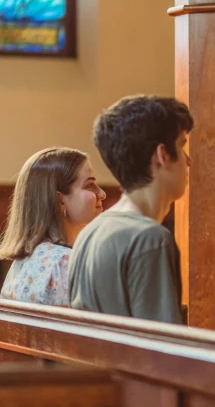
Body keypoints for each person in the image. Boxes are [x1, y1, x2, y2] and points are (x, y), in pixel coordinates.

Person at [68, 95, 193, 323]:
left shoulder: (89, 232)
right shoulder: (149, 239)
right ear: (162, 155)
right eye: (181, 146)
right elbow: (162, 349)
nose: (188, 160)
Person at [0, 147, 107, 306]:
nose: (102, 193)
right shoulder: (64, 263)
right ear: (60, 200)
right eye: (90, 186)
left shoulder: (22, 262)